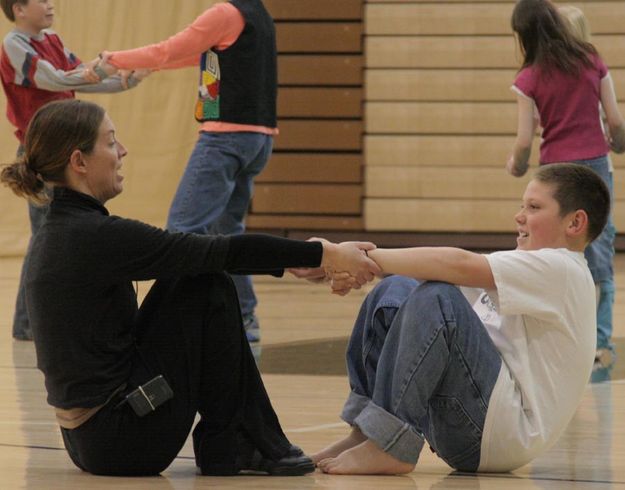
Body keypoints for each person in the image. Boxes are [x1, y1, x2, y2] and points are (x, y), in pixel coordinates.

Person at [0, 99, 379, 477]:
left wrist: (300, 260)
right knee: (207, 282)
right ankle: (241, 442)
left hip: (92, 440)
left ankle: (233, 442)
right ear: (79, 161)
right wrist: (324, 253)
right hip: (124, 438)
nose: (123, 151)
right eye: (111, 142)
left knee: (194, 274)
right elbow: (221, 251)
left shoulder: (61, 230)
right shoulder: (92, 236)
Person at [300, 163, 609, 474]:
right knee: (394, 291)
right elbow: (431, 281)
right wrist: (336, 265)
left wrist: (355, 259)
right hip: (473, 415)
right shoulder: (535, 270)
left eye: (534, 207)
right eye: (522, 206)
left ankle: (389, 445)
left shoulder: (564, 269)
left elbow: (456, 264)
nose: (519, 216)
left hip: (501, 435)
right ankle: (366, 433)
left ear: (575, 222)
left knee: (436, 298)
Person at [87, 0, 278, 343]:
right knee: (227, 233)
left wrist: (115, 60)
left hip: (226, 140)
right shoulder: (257, 13)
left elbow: (170, 49)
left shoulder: (225, 13)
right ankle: (244, 319)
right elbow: (200, 55)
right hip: (257, 140)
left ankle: (171, 322)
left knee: (182, 230)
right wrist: (150, 68)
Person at [0, 0, 149, 341]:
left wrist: (125, 78)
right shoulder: (14, 45)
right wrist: (108, 67)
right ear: (19, 9)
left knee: (57, 234)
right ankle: (28, 323)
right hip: (44, 150)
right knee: (48, 236)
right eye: (42, 0)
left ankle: (34, 322)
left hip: (63, 150)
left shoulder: (51, 39)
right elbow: (55, 79)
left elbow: (80, 78)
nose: (51, 5)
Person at [506, 0, 624, 366]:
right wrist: (618, 145)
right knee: (598, 253)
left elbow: (525, 140)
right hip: (594, 168)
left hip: (556, 170)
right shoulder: (591, 60)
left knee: (552, 254)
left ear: (524, 35)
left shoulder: (528, 78)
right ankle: (600, 344)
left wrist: (516, 165)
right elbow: (616, 121)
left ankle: (557, 340)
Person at [557, 4, 617, 369]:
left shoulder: (592, 64)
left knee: (594, 253)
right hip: (575, 164)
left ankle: (597, 340)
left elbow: (612, 118)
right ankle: (584, 340)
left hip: (584, 165)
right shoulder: (547, 73)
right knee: (580, 253)